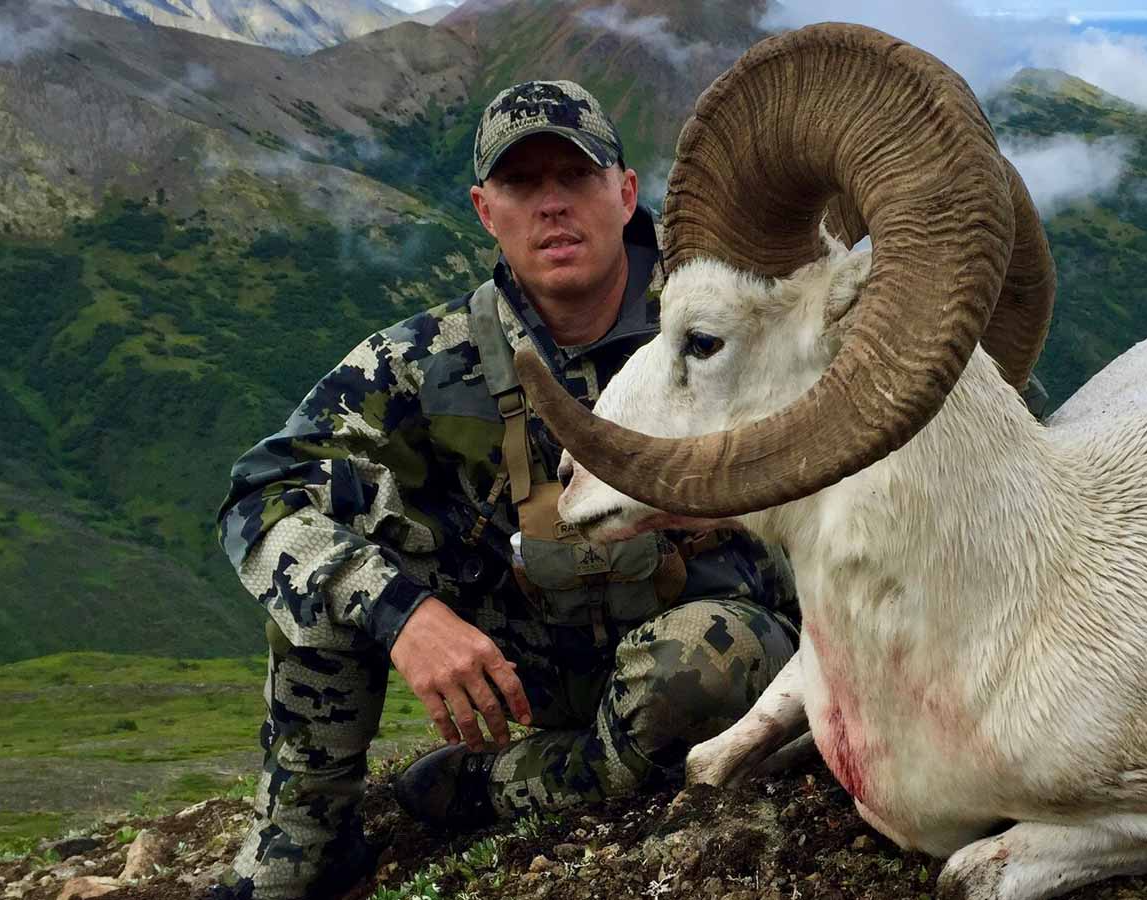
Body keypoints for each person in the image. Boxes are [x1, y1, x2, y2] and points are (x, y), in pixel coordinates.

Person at [210, 80, 800, 900]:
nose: (552, 205)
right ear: (487, 211)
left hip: (716, 651)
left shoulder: (727, 321)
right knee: (326, 565)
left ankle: (492, 787)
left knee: (700, 663)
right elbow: (260, 493)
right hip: (526, 669)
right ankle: (305, 843)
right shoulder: (418, 361)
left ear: (626, 194)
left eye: (577, 176)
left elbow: (873, 442)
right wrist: (402, 614)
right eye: (523, 184)